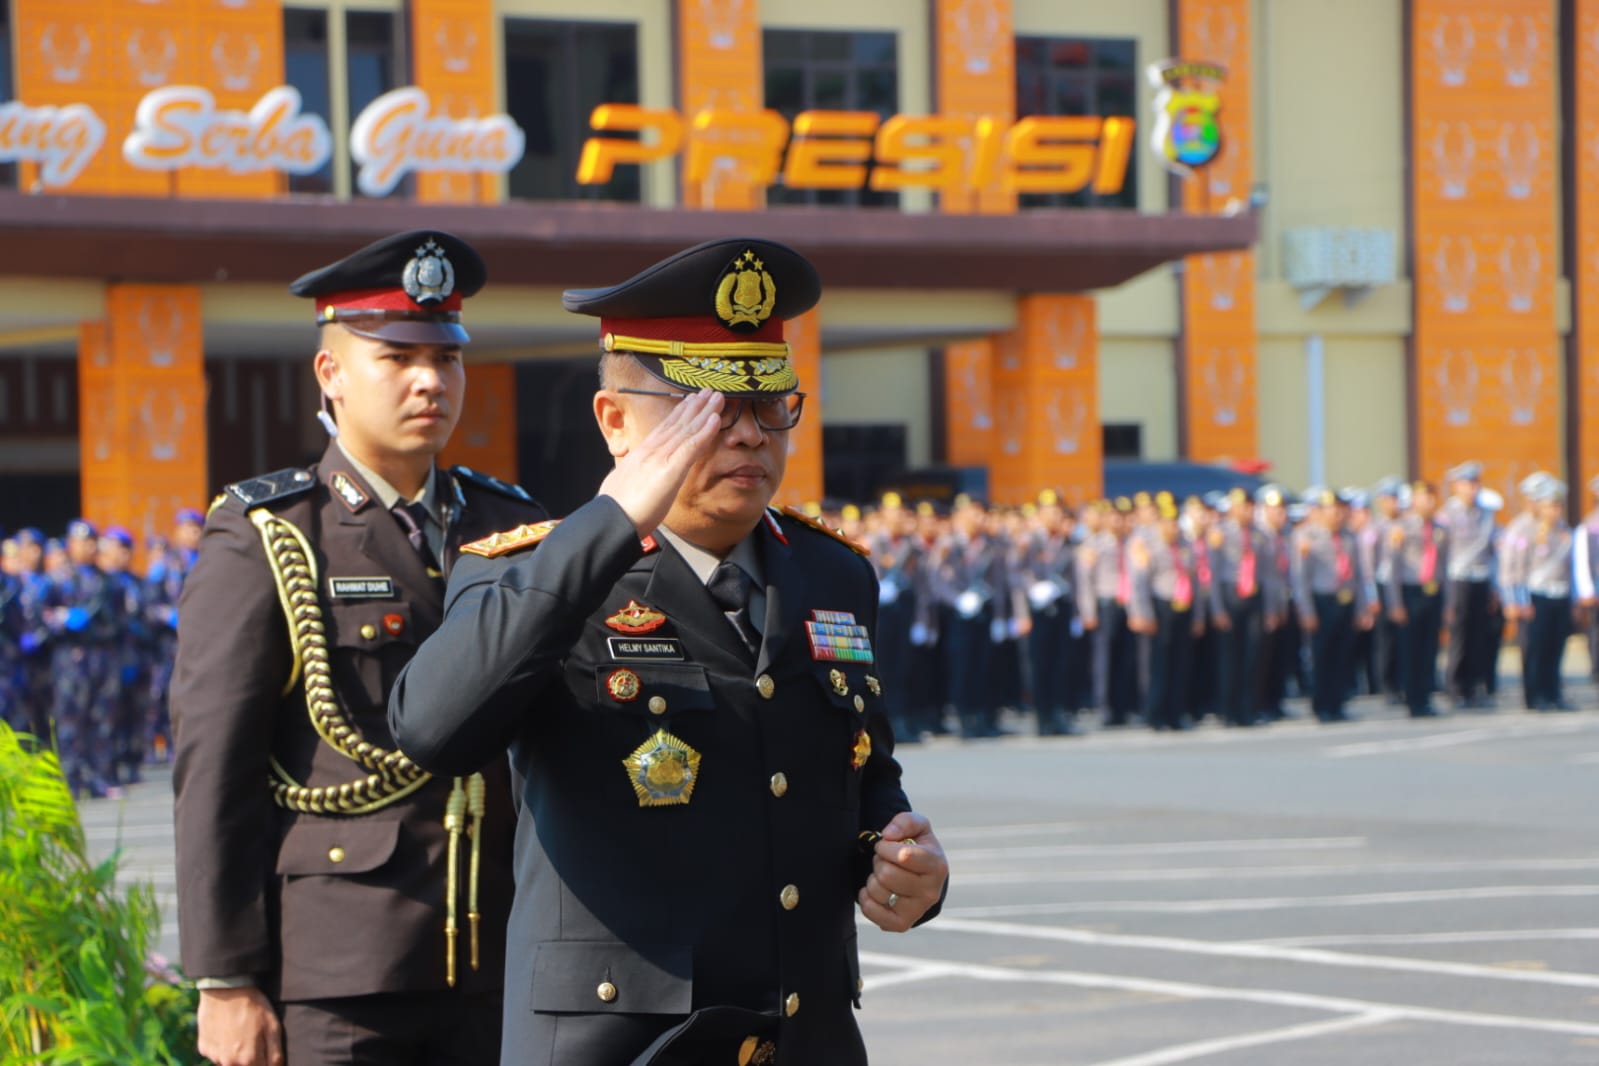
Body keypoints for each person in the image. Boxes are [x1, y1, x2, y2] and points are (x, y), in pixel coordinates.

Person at [388, 237, 949, 1066]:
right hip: (621, 1043)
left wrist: (903, 860)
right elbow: (430, 726)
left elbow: (861, 766)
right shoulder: (538, 577)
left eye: (769, 406)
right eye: (710, 410)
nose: (749, 437)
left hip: (806, 1038)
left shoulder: (832, 573)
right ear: (616, 422)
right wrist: (610, 524)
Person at [170, 230, 546, 1066]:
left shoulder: (509, 527)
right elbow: (216, 765)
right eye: (396, 357)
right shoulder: (271, 534)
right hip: (344, 967)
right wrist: (225, 980)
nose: (429, 381)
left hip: (502, 951)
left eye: (446, 360)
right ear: (330, 374)